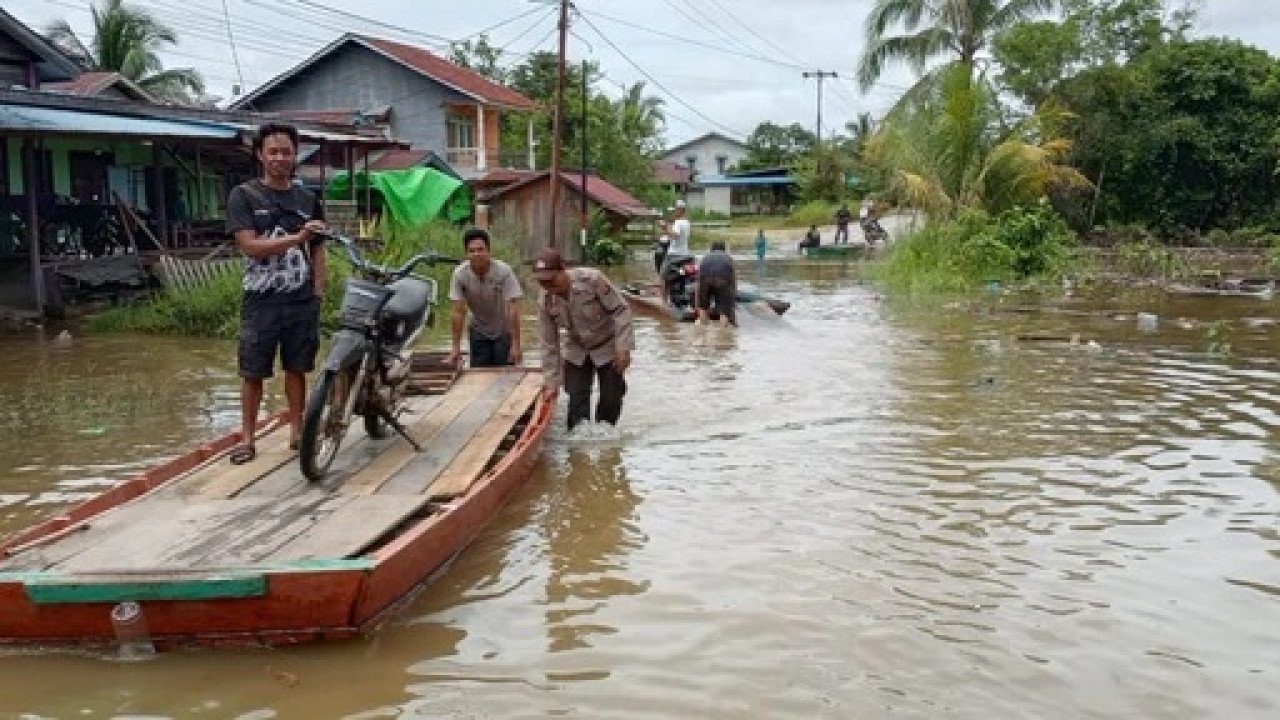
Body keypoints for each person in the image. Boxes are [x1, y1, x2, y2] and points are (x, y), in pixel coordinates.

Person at [225, 123, 327, 465]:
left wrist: (318, 292)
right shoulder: (244, 195)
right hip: (260, 300)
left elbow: (318, 250)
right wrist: (296, 239)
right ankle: (248, 439)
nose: (280, 158)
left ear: (295, 155)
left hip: (301, 299)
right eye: (273, 152)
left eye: (286, 151)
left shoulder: (307, 198)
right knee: (252, 371)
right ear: (260, 155)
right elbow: (250, 245)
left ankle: (298, 432)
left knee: (297, 368)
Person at [534, 247, 635, 430]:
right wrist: (551, 382)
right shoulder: (546, 300)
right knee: (576, 401)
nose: (549, 286)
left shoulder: (592, 280)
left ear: (563, 269)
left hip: (607, 344)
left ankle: (606, 438)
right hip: (576, 348)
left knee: (611, 398)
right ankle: (578, 448)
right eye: (543, 282)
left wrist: (623, 347)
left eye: (552, 279)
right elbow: (549, 343)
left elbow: (621, 310)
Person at [446, 228, 523, 368]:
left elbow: (513, 308)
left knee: (506, 375)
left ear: (489, 251)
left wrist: (516, 344)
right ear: (466, 254)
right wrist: (455, 348)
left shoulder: (503, 271)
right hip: (478, 329)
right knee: (478, 375)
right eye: (472, 251)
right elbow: (458, 312)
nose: (476, 254)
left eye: (480, 249)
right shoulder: (460, 275)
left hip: (503, 330)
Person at [697, 240, 737, 327]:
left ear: (711, 249)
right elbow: (733, 280)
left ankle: (703, 332)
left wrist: (699, 303)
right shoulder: (728, 258)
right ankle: (722, 335)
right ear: (724, 249)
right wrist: (732, 300)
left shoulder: (705, 257)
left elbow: (699, 280)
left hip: (705, 281)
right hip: (722, 281)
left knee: (703, 308)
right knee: (724, 312)